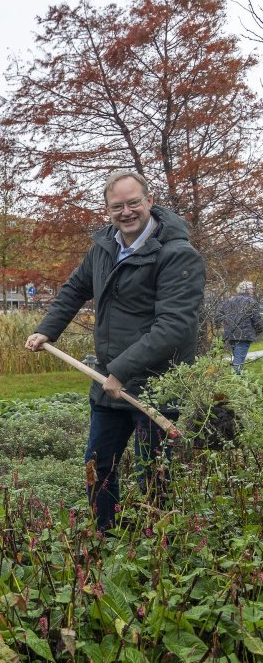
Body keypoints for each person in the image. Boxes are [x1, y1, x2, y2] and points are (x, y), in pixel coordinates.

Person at [24, 170, 205, 532]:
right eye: (117, 206)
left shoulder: (177, 255)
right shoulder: (104, 247)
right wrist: (47, 330)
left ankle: (160, 546)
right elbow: (75, 289)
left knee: (151, 473)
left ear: (149, 202)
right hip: (109, 380)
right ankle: (105, 534)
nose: (126, 212)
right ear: (107, 210)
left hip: (157, 385)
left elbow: (174, 326)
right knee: (98, 465)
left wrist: (121, 370)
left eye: (133, 203)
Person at [216, 281, 262, 374]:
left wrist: (218, 326)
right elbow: (256, 319)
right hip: (244, 335)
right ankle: (236, 382)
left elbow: (218, 316)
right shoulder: (251, 302)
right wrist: (260, 330)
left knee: (237, 358)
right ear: (246, 290)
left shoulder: (228, 301)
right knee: (238, 362)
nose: (253, 290)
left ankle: (234, 379)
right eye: (251, 288)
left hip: (230, 334)